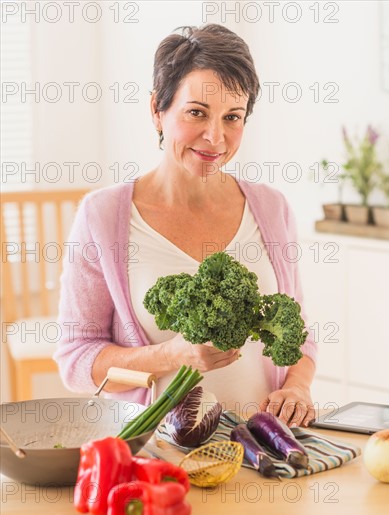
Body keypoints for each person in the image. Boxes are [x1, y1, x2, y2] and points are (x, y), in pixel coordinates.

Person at [54, 24, 317, 427]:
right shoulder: (102, 217)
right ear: (157, 109)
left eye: (233, 117)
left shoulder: (271, 208)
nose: (216, 137)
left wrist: (297, 387)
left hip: (264, 451)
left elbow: (296, 334)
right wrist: (171, 355)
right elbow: (75, 361)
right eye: (197, 112)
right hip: (157, 458)